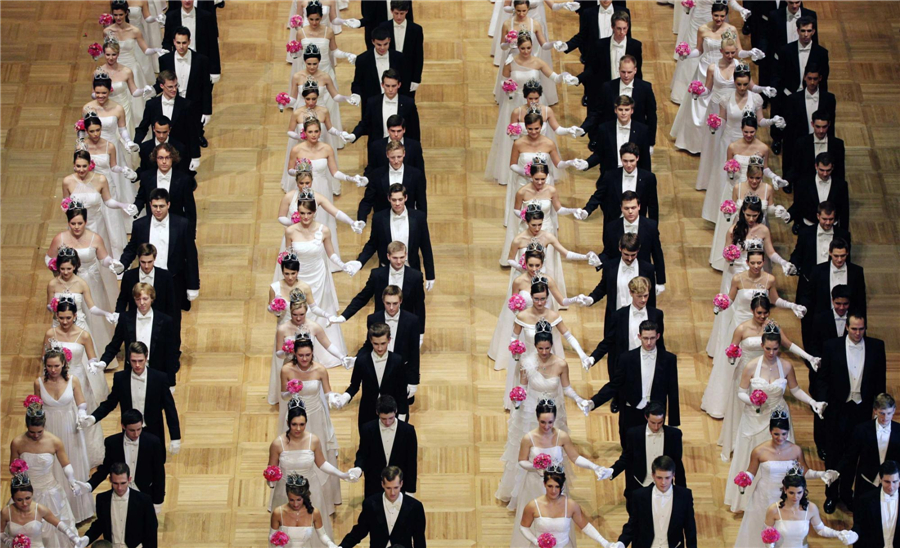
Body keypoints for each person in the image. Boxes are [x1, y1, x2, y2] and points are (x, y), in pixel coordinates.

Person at [723, 329, 825, 510]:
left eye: (775, 349)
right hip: (754, 417)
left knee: (781, 458)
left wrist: (812, 402)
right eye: (768, 348)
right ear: (762, 346)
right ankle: (747, 501)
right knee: (752, 455)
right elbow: (741, 392)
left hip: (778, 417)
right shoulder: (751, 366)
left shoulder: (786, 366)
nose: (771, 353)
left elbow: (795, 390)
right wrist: (753, 400)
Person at [495, 328, 589, 500]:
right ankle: (524, 493)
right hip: (530, 410)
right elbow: (523, 387)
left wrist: (579, 399)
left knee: (554, 449)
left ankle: (554, 489)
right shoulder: (527, 362)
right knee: (528, 448)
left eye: (547, 348)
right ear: (535, 347)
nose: (544, 352)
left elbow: (566, 388)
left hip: (553, 413)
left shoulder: (561, 364)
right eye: (540, 348)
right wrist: (517, 400)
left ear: (552, 346)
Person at [505, 398, 612, 545]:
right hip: (535, 483)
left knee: (559, 519)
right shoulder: (528, 438)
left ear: (555, 419)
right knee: (536, 516)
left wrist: (595, 467)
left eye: (550, 422)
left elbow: (575, 457)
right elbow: (522, 460)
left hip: (556, 481)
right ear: (537, 418)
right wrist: (536, 466)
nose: (546, 426)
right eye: (543, 422)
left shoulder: (562, 436)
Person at [815, 312, 888, 513]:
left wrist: (877, 408)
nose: (857, 333)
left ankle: (847, 493)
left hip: (863, 410)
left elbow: (880, 380)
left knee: (854, 455)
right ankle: (831, 495)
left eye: (861, 329)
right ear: (847, 327)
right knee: (833, 454)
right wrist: (824, 403)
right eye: (854, 329)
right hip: (838, 409)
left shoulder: (876, 347)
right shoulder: (832, 346)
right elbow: (822, 379)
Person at [10, 399, 91, 547]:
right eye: (31, 432)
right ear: (26, 426)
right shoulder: (17, 442)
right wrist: (17, 472)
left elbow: (65, 464)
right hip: (26, 492)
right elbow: (13, 467)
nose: (35, 435)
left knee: (55, 527)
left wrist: (72, 481)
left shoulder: (54, 441)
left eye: (39, 432)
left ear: (44, 426)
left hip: (50, 491)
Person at [119, 188, 200, 337]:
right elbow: (132, 248)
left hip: (172, 280)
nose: (158, 210)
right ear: (149, 205)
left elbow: (191, 255)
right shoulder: (140, 225)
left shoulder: (182, 224)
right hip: (146, 280)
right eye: (154, 206)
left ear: (168, 204)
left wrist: (193, 285)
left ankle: (173, 354)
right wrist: (122, 264)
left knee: (173, 320)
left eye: (161, 206)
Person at [582, 321, 680, 444]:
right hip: (631, 410)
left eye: (652, 338)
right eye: (645, 338)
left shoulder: (669, 359)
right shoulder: (626, 358)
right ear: (639, 337)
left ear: (658, 336)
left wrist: (673, 423)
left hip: (655, 414)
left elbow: (673, 391)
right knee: (628, 448)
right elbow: (614, 385)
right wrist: (593, 402)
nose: (649, 342)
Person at [278, 334, 345, 507]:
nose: (305, 358)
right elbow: (283, 395)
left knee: (319, 452)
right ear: (295, 354)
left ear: (312, 353)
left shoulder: (320, 370)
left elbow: (328, 392)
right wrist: (291, 391)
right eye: (301, 355)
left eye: (308, 355)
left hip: (316, 416)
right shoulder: (286, 370)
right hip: (295, 417)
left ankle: (324, 501)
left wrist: (334, 399)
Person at [266, 403, 360, 523]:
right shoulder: (277, 444)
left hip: (311, 490)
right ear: (288, 423)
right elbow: (272, 470)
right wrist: (271, 480)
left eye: (302, 424)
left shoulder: (313, 440)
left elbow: (321, 463)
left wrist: (342, 475)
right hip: (286, 492)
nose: (298, 429)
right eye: (294, 424)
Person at [82, 341, 182, 453]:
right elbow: (110, 403)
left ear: (146, 357)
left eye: (140, 361)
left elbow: (170, 409)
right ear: (129, 359)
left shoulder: (160, 378)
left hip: (154, 431)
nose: (137, 365)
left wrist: (175, 437)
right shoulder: (120, 378)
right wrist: (93, 417)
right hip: (129, 434)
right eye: (134, 361)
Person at [34, 347, 97, 522]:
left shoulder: (73, 381)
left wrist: (82, 415)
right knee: (52, 468)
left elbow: (81, 403)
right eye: (49, 366)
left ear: (63, 364)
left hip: (70, 429)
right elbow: (37, 408)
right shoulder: (39, 383)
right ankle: (56, 514)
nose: (53, 370)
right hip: (49, 429)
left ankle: (78, 512)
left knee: (72, 465)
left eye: (56, 366)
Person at [283, 192, 351, 354]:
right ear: (297, 212)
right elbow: (288, 257)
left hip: (318, 275)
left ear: (314, 212)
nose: (305, 217)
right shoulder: (290, 231)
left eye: (309, 213)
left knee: (319, 309)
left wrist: (342, 264)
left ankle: (323, 351)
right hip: (298, 277)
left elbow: (331, 253)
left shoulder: (324, 230)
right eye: (302, 213)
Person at [502, 284, 592, 405]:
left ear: (547, 298)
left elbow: (569, 336)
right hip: (527, 360)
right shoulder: (522, 316)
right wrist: (515, 350)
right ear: (531, 297)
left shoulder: (553, 316)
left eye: (543, 299)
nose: (540, 303)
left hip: (548, 358)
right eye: (536, 299)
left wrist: (582, 355)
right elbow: (514, 337)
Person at [668, 0, 742, 148]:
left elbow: (738, 51)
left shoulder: (731, 30)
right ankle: (695, 142)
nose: (719, 19)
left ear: (726, 15)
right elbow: (699, 50)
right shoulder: (702, 29)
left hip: (724, 69)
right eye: (716, 16)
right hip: (703, 68)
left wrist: (751, 53)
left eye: (722, 16)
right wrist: (687, 55)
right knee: (698, 104)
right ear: (711, 14)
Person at [41, 302, 108, 454]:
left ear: (75, 316)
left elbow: (92, 357)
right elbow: (44, 358)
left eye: (68, 318)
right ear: (57, 316)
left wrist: (93, 365)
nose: (65, 322)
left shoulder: (83, 335)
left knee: (78, 415)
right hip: (55, 379)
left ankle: (83, 454)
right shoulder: (51, 334)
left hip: (78, 378)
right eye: (62, 318)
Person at [585, 276, 665, 396]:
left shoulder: (656, 314)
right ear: (631, 293)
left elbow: (660, 341)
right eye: (639, 296)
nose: (643, 300)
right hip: (626, 363)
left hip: (648, 360)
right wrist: (593, 357)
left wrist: (663, 363)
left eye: (646, 295)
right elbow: (609, 340)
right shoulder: (619, 315)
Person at [348, 184, 435, 290]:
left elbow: (426, 247)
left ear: (406, 198)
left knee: (412, 304)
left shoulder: (419, 217)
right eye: (394, 200)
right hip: (387, 270)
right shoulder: (379, 218)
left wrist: (430, 275)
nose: (397, 203)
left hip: (411, 269)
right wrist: (359, 262)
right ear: (389, 198)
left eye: (400, 199)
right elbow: (372, 244)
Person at [334, 241, 426, 336]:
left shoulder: (416, 276)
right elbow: (363, 297)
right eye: (395, 258)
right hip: (381, 327)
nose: (399, 261)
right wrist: (344, 316)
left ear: (406, 255)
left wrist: (420, 332)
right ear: (388, 256)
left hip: (406, 326)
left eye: (401, 257)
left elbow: (419, 306)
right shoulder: (377, 275)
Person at [99, 283, 179, 387]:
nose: (142, 303)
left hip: (157, 372)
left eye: (145, 299)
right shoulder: (125, 319)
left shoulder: (165, 321)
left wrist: (171, 382)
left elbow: (170, 354)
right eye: (138, 299)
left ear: (152, 298)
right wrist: (103, 362)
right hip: (132, 371)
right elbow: (115, 345)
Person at [770, 15, 830, 155]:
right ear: (797, 31)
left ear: (814, 31)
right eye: (803, 31)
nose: (806, 34)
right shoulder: (785, 51)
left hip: (810, 93)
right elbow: (778, 75)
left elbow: (824, 78)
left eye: (809, 31)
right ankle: (778, 139)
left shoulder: (821, 53)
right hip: (789, 93)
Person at [72, 124, 133, 258]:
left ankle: (117, 255)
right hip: (89, 187)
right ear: (86, 131)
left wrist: (123, 170)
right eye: (91, 131)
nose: (95, 134)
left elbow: (113, 166)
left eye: (97, 130)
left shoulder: (109, 146)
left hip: (107, 184)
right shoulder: (82, 147)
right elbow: (77, 168)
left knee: (112, 222)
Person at [518, 467, 619, 548]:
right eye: (550, 486)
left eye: (557, 486)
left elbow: (585, 526)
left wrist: (605, 543)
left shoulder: (571, 505)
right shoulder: (532, 505)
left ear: (562, 486)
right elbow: (523, 527)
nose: (553, 491)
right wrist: (536, 542)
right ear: (544, 484)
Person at [334, 323, 410, 428]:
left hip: (391, 412)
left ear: (389, 340)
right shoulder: (361, 361)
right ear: (370, 341)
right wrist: (344, 398)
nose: (379, 348)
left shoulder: (397, 361)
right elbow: (354, 386)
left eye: (383, 343)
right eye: (376, 344)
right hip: (368, 410)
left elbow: (402, 391)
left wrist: (402, 417)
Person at [89, 409, 167, 513]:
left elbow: (159, 474)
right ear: (123, 426)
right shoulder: (112, 442)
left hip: (145, 493)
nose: (136, 434)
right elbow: (106, 468)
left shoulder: (153, 442)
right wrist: (89, 485)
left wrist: (158, 501)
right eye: (132, 430)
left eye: (139, 429)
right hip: (120, 492)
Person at [610, 402, 686, 507]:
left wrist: (682, 492)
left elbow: (677, 463)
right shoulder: (634, 434)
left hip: (664, 486)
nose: (656, 427)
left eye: (660, 423)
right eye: (653, 422)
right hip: (639, 484)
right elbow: (627, 458)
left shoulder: (674, 435)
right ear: (646, 417)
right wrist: (612, 471)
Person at [561, 11, 643, 104]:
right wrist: (578, 79)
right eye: (619, 28)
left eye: (625, 28)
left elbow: (638, 72)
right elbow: (592, 69)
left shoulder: (635, 46)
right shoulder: (600, 45)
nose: (622, 32)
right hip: (606, 92)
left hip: (627, 92)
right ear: (612, 27)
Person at [615, 456, 697, 548]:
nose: (663, 482)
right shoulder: (639, 496)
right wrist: (621, 543)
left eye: (667, 478)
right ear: (653, 475)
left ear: (673, 475)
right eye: (659, 478)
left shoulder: (684, 496)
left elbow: (690, 528)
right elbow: (632, 525)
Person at [155, 26, 209, 163]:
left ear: (189, 41)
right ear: (173, 42)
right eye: (178, 43)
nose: (181, 46)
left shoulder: (201, 60)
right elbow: (161, 82)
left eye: (184, 42)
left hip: (193, 104)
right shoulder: (165, 60)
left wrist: (207, 111)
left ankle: (191, 159)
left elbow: (206, 87)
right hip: (174, 102)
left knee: (192, 134)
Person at [339, 466, 426, 548]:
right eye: (388, 488)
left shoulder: (415, 507)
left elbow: (419, 539)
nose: (392, 493)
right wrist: (342, 546)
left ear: (401, 483)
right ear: (382, 484)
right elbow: (360, 531)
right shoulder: (370, 504)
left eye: (396, 487)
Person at [361, 286, 421, 404]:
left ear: (401, 301)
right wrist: (358, 359)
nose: (392, 308)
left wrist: (413, 381)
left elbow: (414, 352)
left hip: (402, 372)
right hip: (380, 369)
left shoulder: (412, 320)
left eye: (395, 303)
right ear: (383, 301)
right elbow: (369, 344)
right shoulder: (373, 318)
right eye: (388, 303)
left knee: (402, 408)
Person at [839, 394, 900, 508]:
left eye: (889, 413)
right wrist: (837, 471)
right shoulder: (861, 430)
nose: (885, 417)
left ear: (894, 411)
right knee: (862, 512)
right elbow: (851, 455)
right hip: (867, 480)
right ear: (875, 411)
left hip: (891, 483)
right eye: (882, 413)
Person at [761, 474, 858, 547]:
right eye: (791, 493)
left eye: (799, 492)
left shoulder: (811, 508)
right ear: (785, 490)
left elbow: (821, 530)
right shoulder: (773, 510)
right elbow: (767, 535)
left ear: (804, 490)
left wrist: (838, 533)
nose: (796, 497)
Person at [0, 470, 87, 548]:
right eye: (19, 500)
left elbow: (59, 524)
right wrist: (9, 542)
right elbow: (1, 532)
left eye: (28, 498)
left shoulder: (40, 509)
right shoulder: (6, 512)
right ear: (13, 498)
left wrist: (74, 538)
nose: (24, 503)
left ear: (32, 494)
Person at [585, 233, 658, 327]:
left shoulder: (648, 269)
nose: (630, 258)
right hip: (615, 318)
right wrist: (591, 298)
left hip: (639, 320)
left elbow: (651, 299)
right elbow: (603, 287)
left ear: (638, 250)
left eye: (633, 255)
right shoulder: (610, 266)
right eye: (626, 254)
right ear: (620, 248)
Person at [790, 201, 851, 308]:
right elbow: (798, 254)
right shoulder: (805, 233)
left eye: (831, 219)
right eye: (824, 219)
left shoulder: (843, 235)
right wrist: (792, 265)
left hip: (832, 284)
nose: (828, 223)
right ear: (818, 216)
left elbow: (846, 260)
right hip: (808, 284)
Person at [355, 396, 418, 498]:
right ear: (377, 413)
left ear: (396, 411)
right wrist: (358, 468)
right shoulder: (367, 429)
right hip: (374, 483)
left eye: (391, 418)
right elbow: (363, 453)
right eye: (383, 419)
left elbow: (411, 463)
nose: (387, 422)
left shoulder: (408, 431)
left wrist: (410, 491)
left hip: (398, 485)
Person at [85, 462, 159, 548]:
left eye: (123, 483)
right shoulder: (102, 499)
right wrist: (87, 538)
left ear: (129, 479)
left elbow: (151, 530)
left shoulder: (144, 500)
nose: (119, 488)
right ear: (110, 480)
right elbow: (100, 524)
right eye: (115, 483)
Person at [798, 238, 866, 329]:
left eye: (843, 256)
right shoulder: (817, 271)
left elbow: (861, 300)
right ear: (830, 253)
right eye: (836, 256)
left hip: (849, 320)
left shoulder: (856, 271)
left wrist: (863, 324)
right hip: (823, 320)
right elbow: (808, 295)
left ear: (847, 253)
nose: (839, 260)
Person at [135, 71, 200, 164]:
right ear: (161, 86)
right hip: (158, 154)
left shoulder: (186, 105)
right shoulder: (152, 105)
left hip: (180, 153)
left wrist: (195, 156)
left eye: (175, 86)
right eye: (170, 86)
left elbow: (192, 132)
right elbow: (143, 127)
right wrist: (136, 143)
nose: (174, 89)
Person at [591, 56, 657, 147]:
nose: (626, 75)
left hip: (637, 136)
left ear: (635, 70)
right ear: (619, 70)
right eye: (623, 72)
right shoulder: (607, 87)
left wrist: (650, 142)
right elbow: (597, 112)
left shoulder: (645, 88)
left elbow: (651, 116)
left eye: (629, 72)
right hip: (612, 135)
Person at [780, 64, 836, 172]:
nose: (812, 82)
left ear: (820, 78)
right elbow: (790, 129)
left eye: (815, 79)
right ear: (805, 77)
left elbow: (831, 124)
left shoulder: (829, 99)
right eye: (809, 78)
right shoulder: (793, 99)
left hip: (821, 139)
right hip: (800, 141)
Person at [133, 143, 197, 236]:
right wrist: (135, 208)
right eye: (160, 158)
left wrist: (191, 233)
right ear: (156, 159)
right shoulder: (146, 177)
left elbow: (190, 209)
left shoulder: (184, 179)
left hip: (176, 227)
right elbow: (141, 197)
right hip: (153, 225)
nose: (164, 161)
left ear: (173, 158)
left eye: (167, 158)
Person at [584, 145, 658, 223]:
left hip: (638, 223)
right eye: (625, 161)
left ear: (637, 158)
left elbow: (653, 206)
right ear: (621, 159)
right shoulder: (610, 176)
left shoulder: (649, 178)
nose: (629, 165)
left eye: (632, 161)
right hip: (613, 223)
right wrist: (587, 210)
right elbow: (598, 196)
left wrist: (653, 229)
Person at [357, 140, 427, 223]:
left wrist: (421, 223)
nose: (396, 161)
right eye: (392, 157)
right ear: (387, 155)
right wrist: (361, 220)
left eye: (399, 157)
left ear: (404, 154)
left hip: (408, 221)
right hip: (383, 222)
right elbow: (368, 200)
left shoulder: (416, 175)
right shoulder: (377, 174)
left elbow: (421, 202)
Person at [162, 0, 221, 93]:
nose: (187, 0)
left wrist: (215, 70)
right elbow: (167, 41)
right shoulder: (171, 17)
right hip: (179, 63)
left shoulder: (207, 17)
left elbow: (213, 45)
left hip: (200, 64)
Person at [269, 472, 341, 548]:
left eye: (298, 500)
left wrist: (330, 544)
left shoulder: (314, 513)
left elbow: (322, 535)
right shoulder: (278, 513)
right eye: (291, 500)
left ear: (304, 497)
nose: (295, 504)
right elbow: (272, 536)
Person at [350, 28, 412, 117]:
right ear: (373, 42)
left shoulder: (399, 58)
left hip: (395, 102)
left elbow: (405, 82)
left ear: (389, 40)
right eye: (379, 44)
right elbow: (357, 83)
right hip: (372, 105)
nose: (382, 48)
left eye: (385, 44)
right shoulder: (362, 59)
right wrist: (356, 94)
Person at [583, 97, 652, 177]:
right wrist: (587, 163)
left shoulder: (642, 130)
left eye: (627, 110)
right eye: (620, 109)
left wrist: (646, 181)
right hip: (610, 176)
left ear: (632, 111)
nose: (623, 113)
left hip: (634, 176)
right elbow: (599, 153)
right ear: (615, 110)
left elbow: (645, 159)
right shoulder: (604, 129)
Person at [115, 243, 177, 320]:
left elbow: (171, 304)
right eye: (143, 262)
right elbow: (122, 300)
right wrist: (118, 318)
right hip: (135, 320)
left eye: (150, 262)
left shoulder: (165, 276)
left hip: (159, 322)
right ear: (138, 259)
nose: (146, 266)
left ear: (155, 259)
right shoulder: (129, 276)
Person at [792, 153, 851, 233]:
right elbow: (798, 205)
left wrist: (844, 233)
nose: (825, 174)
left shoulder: (841, 185)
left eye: (828, 170)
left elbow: (844, 211)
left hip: (832, 228)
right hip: (809, 227)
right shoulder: (803, 183)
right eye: (822, 170)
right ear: (816, 166)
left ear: (832, 167)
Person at [377, 1, 423, 99]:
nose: (399, 17)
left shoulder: (416, 29)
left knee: (407, 104)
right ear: (391, 11)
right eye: (396, 13)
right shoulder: (383, 27)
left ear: (407, 11)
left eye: (401, 14)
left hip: (408, 74)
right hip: (388, 72)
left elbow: (418, 56)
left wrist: (416, 79)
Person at [786, 110, 845, 186]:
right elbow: (796, 167)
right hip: (807, 186)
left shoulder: (837, 144)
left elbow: (840, 170)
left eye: (824, 127)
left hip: (829, 184)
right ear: (812, 124)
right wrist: (787, 181)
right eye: (818, 127)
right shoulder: (801, 143)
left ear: (829, 125)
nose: (821, 131)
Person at [851, 460, 900, 547]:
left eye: (895, 482)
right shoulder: (865, 500)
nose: (891, 487)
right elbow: (859, 527)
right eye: (887, 482)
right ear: (880, 480)